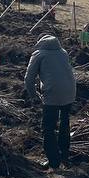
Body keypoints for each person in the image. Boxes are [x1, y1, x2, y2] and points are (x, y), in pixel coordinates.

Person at [24, 33, 77, 169]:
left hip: (53, 92)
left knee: (48, 128)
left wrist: (33, 96)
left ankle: (53, 161)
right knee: (65, 123)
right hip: (70, 90)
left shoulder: (38, 54)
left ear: (40, 42)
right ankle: (64, 157)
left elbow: (28, 79)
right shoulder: (63, 52)